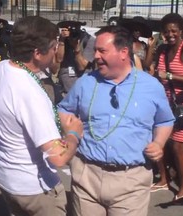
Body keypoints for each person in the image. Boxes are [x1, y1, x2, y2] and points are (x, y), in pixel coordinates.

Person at [0, 16, 83, 216]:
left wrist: (5, 136)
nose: (56, 50)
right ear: (37, 53)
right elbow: (58, 158)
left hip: (8, 181)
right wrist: (73, 134)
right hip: (36, 190)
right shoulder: (30, 92)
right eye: (54, 46)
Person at [58, 25, 174, 216]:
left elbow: (164, 120)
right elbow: (64, 109)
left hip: (131, 182)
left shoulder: (151, 86)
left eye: (102, 50)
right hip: (87, 176)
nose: (95, 56)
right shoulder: (86, 83)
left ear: (123, 52)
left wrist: (159, 143)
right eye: (95, 50)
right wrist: (71, 135)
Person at [152, 13, 183, 201]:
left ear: (181, 31)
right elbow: (154, 70)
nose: (170, 34)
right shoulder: (163, 49)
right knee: (160, 144)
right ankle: (163, 180)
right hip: (164, 105)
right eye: (166, 31)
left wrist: (171, 76)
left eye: (174, 30)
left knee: (178, 148)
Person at [56, 21, 95, 93]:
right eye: (68, 28)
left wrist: (76, 48)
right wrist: (61, 41)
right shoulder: (62, 40)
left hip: (83, 87)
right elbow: (58, 59)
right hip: (65, 87)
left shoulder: (89, 40)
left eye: (75, 27)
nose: (72, 31)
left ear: (80, 27)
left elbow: (81, 66)